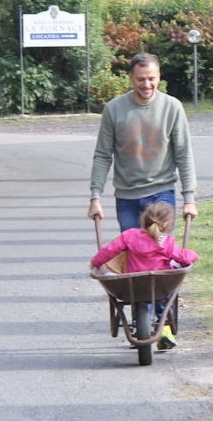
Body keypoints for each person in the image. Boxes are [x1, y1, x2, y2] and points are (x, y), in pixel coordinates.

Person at [87, 52, 199, 233]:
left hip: (161, 193)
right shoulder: (113, 109)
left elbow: (183, 153)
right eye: (140, 79)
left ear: (159, 77)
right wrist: (95, 197)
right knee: (132, 250)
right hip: (127, 197)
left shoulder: (172, 107)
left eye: (151, 79)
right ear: (131, 78)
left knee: (160, 247)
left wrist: (189, 199)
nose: (146, 84)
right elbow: (103, 155)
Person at [90, 202, 198, 350]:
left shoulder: (130, 235)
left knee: (104, 267)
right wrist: (194, 255)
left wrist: (95, 263)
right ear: (167, 225)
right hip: (160, 284)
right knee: (174, 267)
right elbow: (184, 257)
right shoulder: (166, 242)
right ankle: (164, 328)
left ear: (142, 221)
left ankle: (140, 331)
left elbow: (109, 251)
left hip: (131, 283)